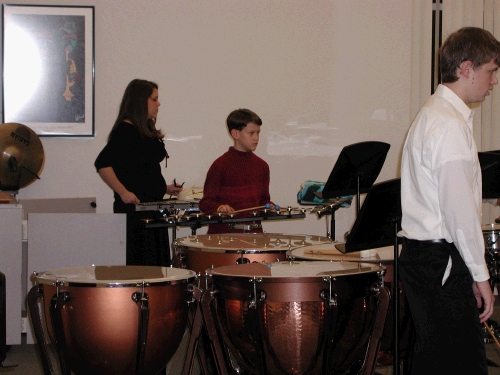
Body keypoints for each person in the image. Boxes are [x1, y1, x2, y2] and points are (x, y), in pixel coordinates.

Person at [399, 27, 500, 374]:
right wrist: (481, 274)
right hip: (441, 257)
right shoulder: (448, 125)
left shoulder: (434, 114)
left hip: (428, 258)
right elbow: (459, 212)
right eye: (491, 71)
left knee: (434, 361)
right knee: (462, 364)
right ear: (467, 68)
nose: (494, 81)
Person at [94, 79, 182, 266]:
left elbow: (140, 169)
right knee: (142, 269)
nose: (158, 104)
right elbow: (102, 164)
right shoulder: (125, 131)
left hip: (152, 210)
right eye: (154, 99)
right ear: (141, 101)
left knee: (157, 268)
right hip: (136, 215)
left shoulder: (143, 129)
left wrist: (165, 188)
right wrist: (123, 192)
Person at [199, 108, 274, 234]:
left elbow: (263, 200)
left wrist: (269, 206)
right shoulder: (220, 165)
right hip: (224, 236)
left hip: (254, 235)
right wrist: (219, 208)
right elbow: (205, 203)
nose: (256, 138)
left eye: (258, 133)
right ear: (235, 134)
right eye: (251, 133)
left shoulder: (262, 166)